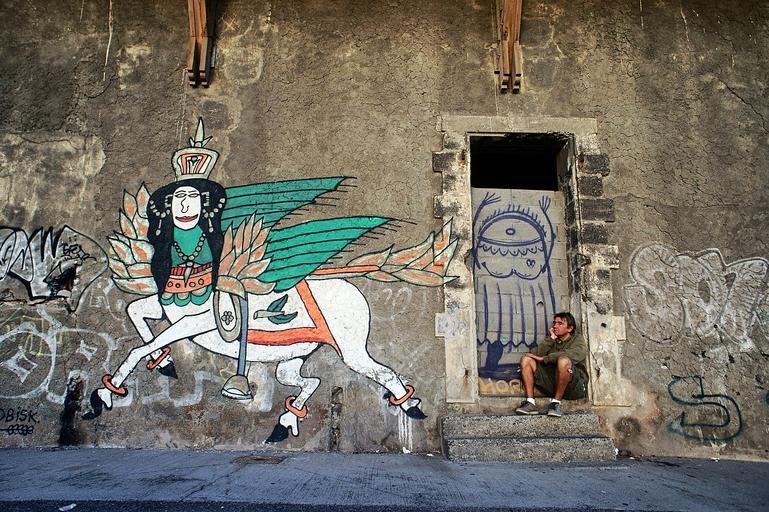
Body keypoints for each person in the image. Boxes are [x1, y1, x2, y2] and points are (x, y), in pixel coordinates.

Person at [515, 312, 587, 417]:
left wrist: (546, 358)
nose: (555, 326)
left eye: (560, 323)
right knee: (526, 360)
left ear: (570, 328)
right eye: (554, 323)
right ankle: (530, 402)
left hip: (573, 387)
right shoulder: (552, 340)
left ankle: (555, 403)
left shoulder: (577, 339)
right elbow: (535, 355)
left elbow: (576, 353)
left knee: (563, 361)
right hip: (552, 384)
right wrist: (551, 339)